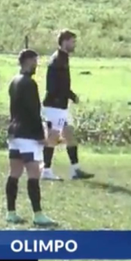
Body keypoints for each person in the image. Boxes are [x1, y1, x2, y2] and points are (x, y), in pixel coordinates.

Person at [5, 49, 57, 227]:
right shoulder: (29, 83)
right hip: (27, 135)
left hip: (14, 133)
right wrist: (41, 135)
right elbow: (33, 111)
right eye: (35, 61)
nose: (37, 65)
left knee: (14, 173)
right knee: (34, 174)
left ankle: (11, 212)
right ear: (27, 61)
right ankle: (38, 214)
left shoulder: (14, 81)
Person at [40, 30, 93, 181]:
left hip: (61, 106)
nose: (74, 44)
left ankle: (75, 170)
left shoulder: (63, 58)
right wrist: (70, 96)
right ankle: (46, 171)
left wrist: (70, 96)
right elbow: (54, 86)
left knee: (69, 135)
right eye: (72, 41)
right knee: (53, 138)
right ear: (64, 42)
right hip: (54, 107)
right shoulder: (58, 60)